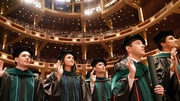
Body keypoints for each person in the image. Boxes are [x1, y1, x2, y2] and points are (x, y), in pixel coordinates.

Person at [111, 34, 165, 101]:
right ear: (128, 48)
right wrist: (131, 75)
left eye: (142, 43)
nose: (143, 45)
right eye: (138, 43)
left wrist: (160, 91)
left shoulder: (145, 68)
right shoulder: (122, 66)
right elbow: (117, 93)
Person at [153, 30, 180, 101]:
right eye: (171, 38)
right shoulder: (157, 60)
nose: (176, 40)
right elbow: (161, 85)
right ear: (163, 43)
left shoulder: (177, 59)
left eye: (175, 38)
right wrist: (171, 69)